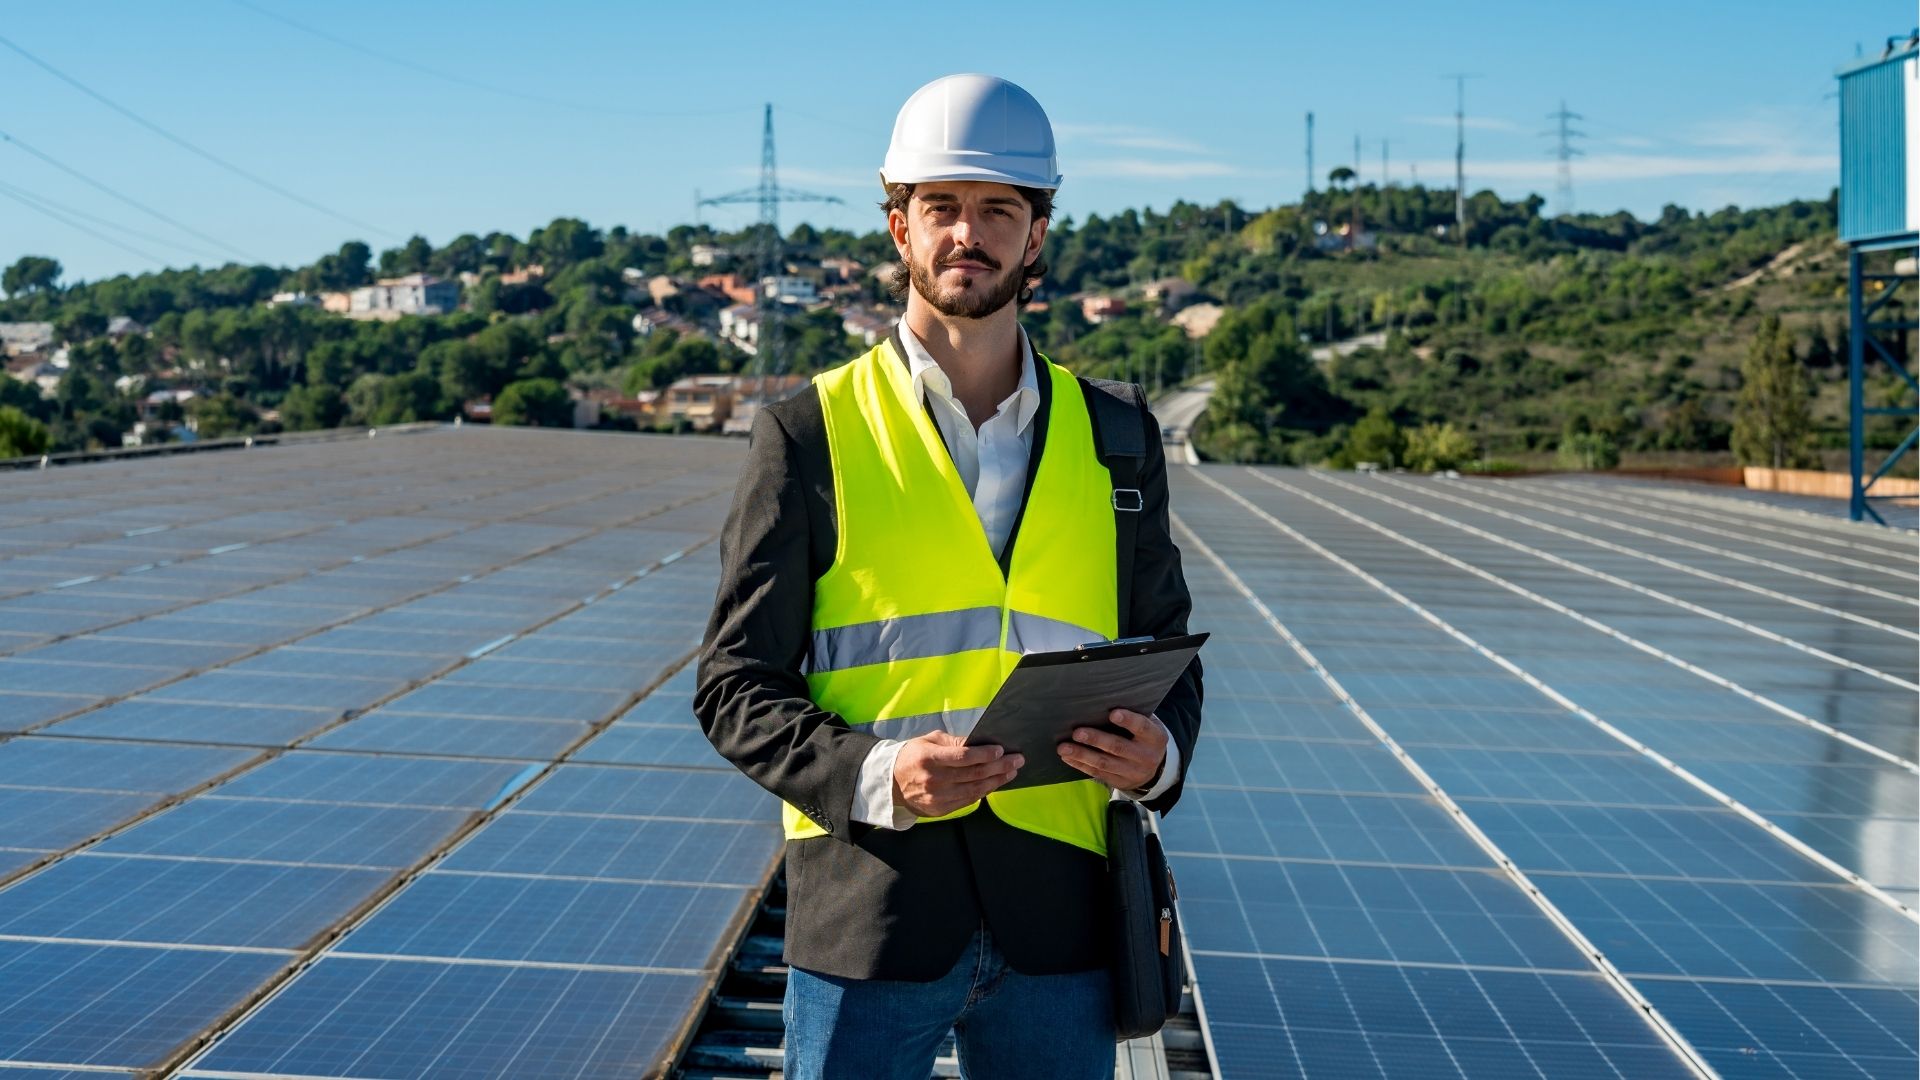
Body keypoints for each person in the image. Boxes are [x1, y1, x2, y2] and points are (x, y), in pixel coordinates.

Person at [696, 73, 1203, 1080]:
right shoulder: (809, 435)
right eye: (943, 209)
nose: (968, 234)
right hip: (873, 917)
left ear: (1037, 235)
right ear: (899, 229)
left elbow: (1169, 659)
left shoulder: (1118, 441)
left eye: (998, 211)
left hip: (1061, 925)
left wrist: (1158, 762)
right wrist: (881, 775)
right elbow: (732, 688)